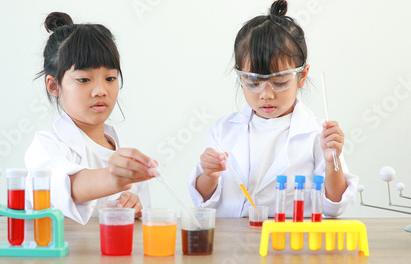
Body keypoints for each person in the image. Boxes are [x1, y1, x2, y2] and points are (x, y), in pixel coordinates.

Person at [187, 0, 358, 218]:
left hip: (291, 245)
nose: (265, 94)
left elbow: (334, 206)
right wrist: (209, 174)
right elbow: (203, 203)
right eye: (254, 82)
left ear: (302, 75)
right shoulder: (223, 130)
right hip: (233, 244)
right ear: (240, 76)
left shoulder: (318, 134)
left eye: (279, 82)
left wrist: (331, 160)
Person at [25, 12, 158, 224]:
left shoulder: (125, 157)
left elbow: (140, 224)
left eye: (110, 78)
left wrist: (134, 206)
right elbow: (64, 186)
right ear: (54, 85)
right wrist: (114, 179)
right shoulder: (45, 147)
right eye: (84, 79)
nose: (100, 90)